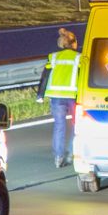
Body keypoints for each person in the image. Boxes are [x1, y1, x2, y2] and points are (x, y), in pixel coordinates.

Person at [38, 27, 81, 167]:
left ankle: (58, 157)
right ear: (74, 43)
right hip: (74, 96)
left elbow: (45, 75)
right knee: (78, 126)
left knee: (59, 126)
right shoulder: (80, 58)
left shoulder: (54, 56)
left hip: (56, 97)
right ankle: (71, 153)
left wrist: (40, 95)